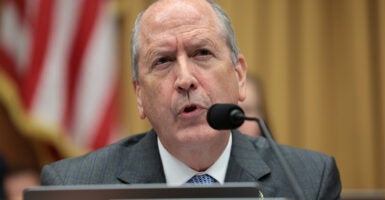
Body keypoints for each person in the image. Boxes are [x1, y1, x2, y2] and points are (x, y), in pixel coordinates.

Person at [40, 0, 341, 199]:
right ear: (139, 95)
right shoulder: (74, 188)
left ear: (239, 76)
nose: (185, 79)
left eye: (202, 53)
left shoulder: (308, 180)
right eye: (163, 61)